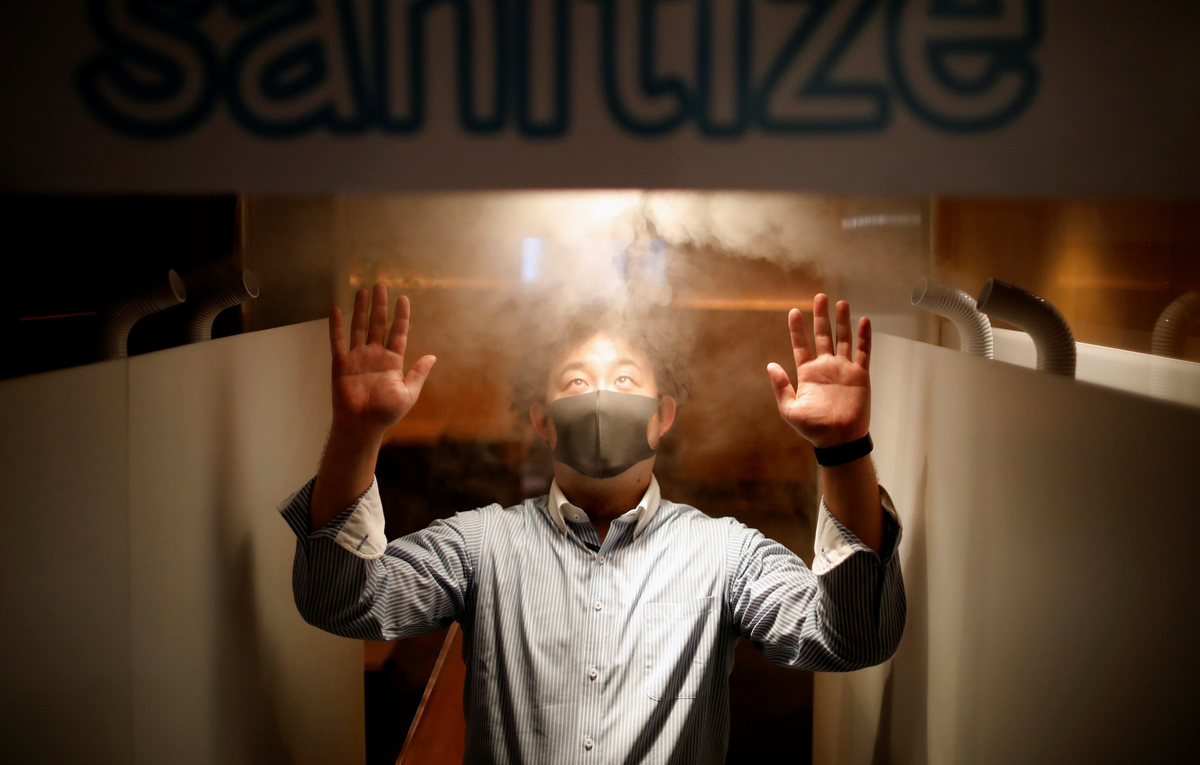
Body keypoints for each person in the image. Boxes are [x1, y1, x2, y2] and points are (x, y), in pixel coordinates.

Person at [279, 283, 904, 763]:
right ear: (542, 420)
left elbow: (852, 638)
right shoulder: (480, 544)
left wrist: (843, 449)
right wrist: (357, 435)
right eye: (577, 381)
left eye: (625, 378)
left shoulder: (725, 553)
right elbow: (340, 599)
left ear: (663, 416)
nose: (602, 397)